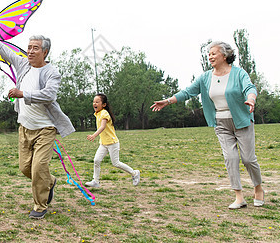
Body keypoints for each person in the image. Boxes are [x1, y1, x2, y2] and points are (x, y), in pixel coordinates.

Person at [150, 41, 264, 209]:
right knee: (230, 158)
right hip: (220, 122)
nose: (210, 56)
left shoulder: (239, 73)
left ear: (224, 56)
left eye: (213, 53)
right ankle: (239, 197)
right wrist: (167, 101)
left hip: (241, 120)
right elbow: (188, 92)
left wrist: (251, 99)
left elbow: (249, 88)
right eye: (209, 54)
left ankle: (258, 188)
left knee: (248, 159)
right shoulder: (205, 77)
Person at [0, 27, 75, 219]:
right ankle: (49, 181)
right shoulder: (23, 65)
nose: (31, 51)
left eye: (35, 48)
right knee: (26, 168)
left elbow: (49, 95)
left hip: (45, 128)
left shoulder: (52, 73)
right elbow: (5, 52)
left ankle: (40, 207)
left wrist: (22, 93)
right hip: (24, 127)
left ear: (45, 52)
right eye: (29, 47)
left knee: (38, 167)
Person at [85, 93, 141, 188]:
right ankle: (95, 181)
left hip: (112, 143)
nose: (94, 103)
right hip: (103, 143)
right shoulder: (97, 113)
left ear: (104, 105)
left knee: (116, 163)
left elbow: (102, 126)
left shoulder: (104, 113)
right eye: (94, 101)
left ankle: (134, 173)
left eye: (97, 102)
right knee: (96, 160)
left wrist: (94, 135)